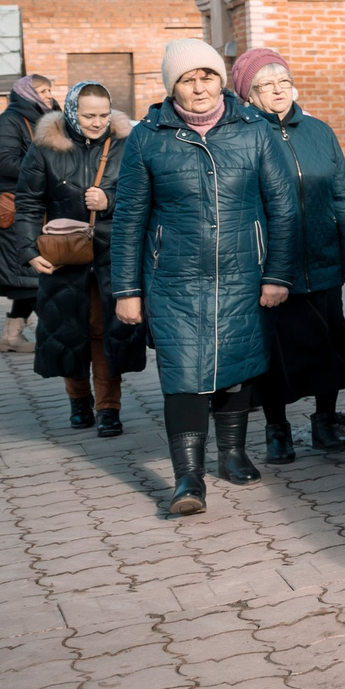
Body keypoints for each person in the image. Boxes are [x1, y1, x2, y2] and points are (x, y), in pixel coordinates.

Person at [111, 41, 299, 516]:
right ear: (171, 86)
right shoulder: (148, 136)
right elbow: (130, 217)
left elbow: (283, 207)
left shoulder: (254, 130)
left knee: (235, 366)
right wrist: (127, 289)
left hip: (243, 274)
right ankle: (187, 478)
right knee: (182, 374)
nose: (199, 88)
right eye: (187, 79)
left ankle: (232, 452)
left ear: (221, 80)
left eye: (208, 76)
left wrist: (277, 273)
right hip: (173, 278)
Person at [234, 47, 345, 465]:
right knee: (274, 353)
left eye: (284, 82)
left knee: (327, 344)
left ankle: (325, 422)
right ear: (248, 94)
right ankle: (277, 430)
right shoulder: (242, 135)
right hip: (271, 268)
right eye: (266, 85)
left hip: (324, 260)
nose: (278, 91)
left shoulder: (318, 131)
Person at [17, 81, 132, 436]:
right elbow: (28, 203)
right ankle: (79, 402)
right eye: (88, 115)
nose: (97, 122)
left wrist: (109, 201)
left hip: (112, 255)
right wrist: (29, 251)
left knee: (106, 333)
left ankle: (109, 409)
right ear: (70, 112)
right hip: (65, 256)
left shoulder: (126, 146)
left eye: (103, 114)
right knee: (70, 331)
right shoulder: (45, 148)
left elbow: (143, 193)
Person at [0, 74, 55, 353]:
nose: (49, 94)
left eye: (50, 89)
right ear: (27, 93)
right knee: (31, 276)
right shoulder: (9, 120)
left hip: (42, 206)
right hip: (16, 209)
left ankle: (11, 337)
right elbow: (3, 161)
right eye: (43, 90)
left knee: (28, 279)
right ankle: (54, 338)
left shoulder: (53, 117)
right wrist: (43, 168)